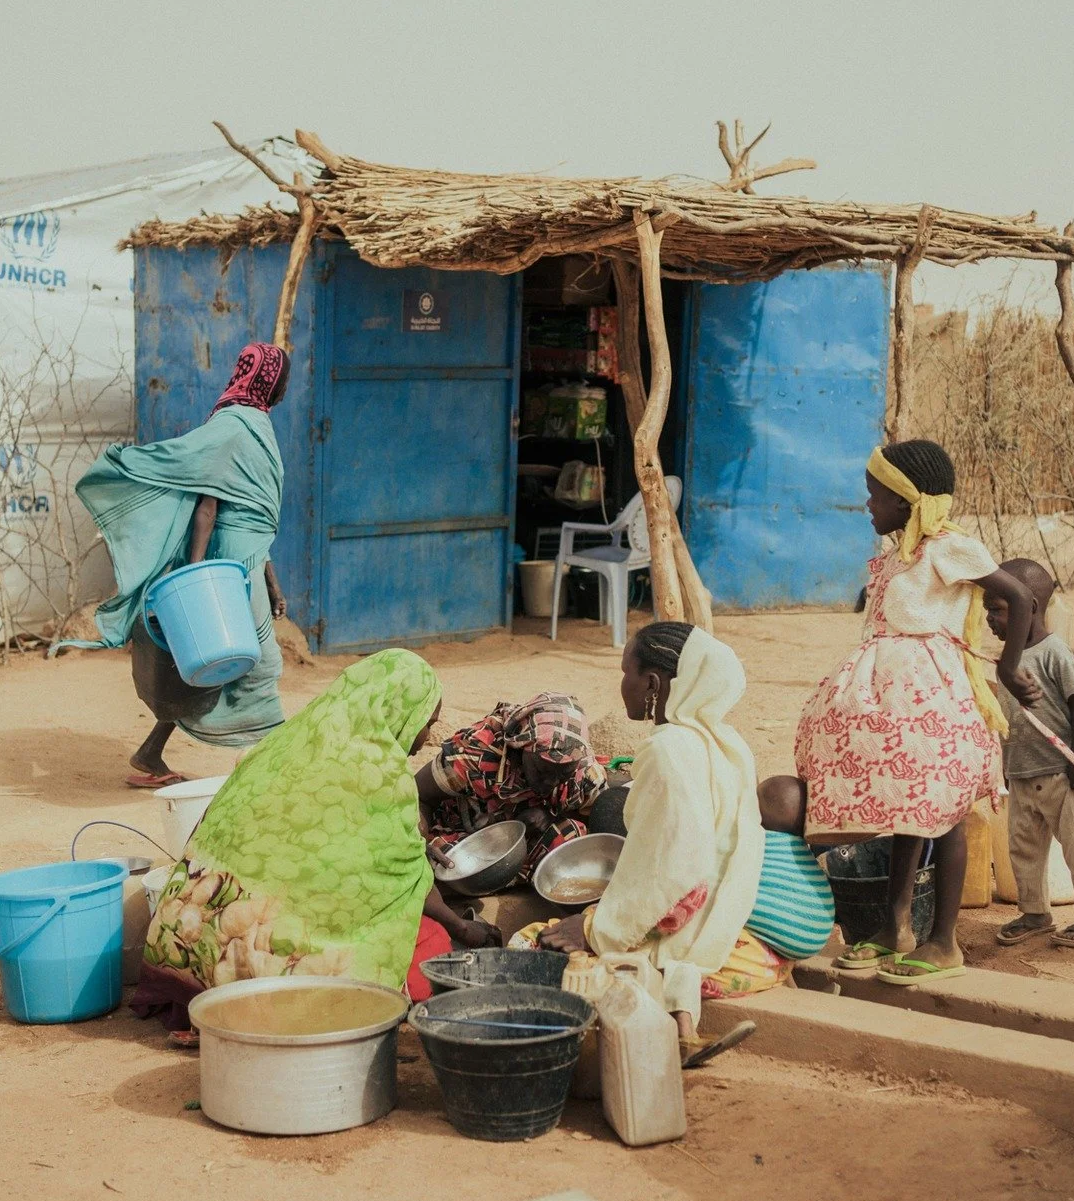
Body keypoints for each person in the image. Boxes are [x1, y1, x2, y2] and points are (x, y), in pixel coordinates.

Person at [132, 649, 496, 1046]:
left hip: (181, 939)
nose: (425, 739)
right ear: (400, 713)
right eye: (427, 724)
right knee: (429, 948)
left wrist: (404, 842)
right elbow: (403, 878)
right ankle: (277, 1007)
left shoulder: (290, 739)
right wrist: (463, 927)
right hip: (260, 955)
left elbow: (316, 845)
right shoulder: (378, 771)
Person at [794, 440, 1040, 986]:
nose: (868, 506)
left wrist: (1008, 668)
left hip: (935, 697)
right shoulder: (896, 553)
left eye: (875, 496)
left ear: (907, 500)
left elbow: (1020, 598)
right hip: (892, 698)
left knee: (943, 811)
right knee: (908, 808)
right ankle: (895, 929)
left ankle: (944, 942)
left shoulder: (949, 548)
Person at [541, 623, 833, 1052]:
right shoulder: (728, 743)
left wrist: (593, 927)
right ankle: (684, 1027)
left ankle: (662, 1035)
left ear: (653, 683)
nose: (622, 685)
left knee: (538, 941)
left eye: (627, 673)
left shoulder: (667, 750)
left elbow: (672, 874)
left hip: (721, 947)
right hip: (759, 949)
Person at [74, 341, 290, 788]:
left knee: (213, 662)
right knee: (260, 663)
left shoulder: (255, 425)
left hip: (249, 559)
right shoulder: (234, 426)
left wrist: (273, 584)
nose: (287, 385)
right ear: (269, 380)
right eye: (283, 377)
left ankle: (151, 751)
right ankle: (272, 770)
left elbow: (258, 515)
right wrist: (198, 578)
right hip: (229, 564)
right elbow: (207, 504)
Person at [984, 559, 1074, 950]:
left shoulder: (1053, 651)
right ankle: (1035, 912)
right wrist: (1006, 768)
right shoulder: (1005, 660)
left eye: (998, 609)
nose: (989, 618)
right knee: (1023, 849)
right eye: (987, 609)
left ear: (1029, 609)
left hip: (1059, 771)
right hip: (1021, 773)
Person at [418, 693, 606, 881]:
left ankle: (516, 877)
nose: (551, 782)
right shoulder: (475, 752)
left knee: (572, 836)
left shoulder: (583, 773)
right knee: (441, 857)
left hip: (523, 846)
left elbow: (595, 819)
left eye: (563, 773)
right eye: (542, 771)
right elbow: (418, 796)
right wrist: (419, 842)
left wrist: (549, 817)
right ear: (523, 745)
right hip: (467, 841)